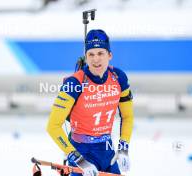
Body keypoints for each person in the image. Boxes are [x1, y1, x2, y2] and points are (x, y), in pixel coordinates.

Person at [47, 29, 134, 176]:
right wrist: (77, 159)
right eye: (91, 54)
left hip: (107, 151)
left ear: (110, 55)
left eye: (101, 53)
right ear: (86, 57)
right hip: (82, 152)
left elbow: (127, 116)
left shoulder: (119, 77)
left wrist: (123, 147)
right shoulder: (74, 82)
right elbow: (53, 126)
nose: (96, 59)